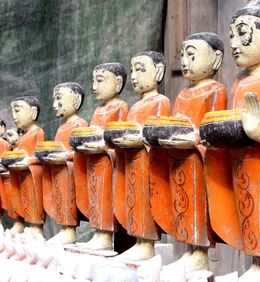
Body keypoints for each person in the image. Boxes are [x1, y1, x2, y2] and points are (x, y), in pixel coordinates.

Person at [204, 1, 260, 281]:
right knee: (246, 207)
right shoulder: (238, 80)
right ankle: (254, 264)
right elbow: (235, 116)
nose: (234, 43)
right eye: (232, 35)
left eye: (243, 33)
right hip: (241, 155)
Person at [156, 33, 226, 279]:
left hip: (198, 159)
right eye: (183, 55)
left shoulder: (217, 91)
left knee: (196, 204)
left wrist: (194, 138)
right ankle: (188, 250)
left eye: (192, 55)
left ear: (215, 60)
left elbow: (214, 129)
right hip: (179, 159)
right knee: (181, 204)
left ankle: (200, 253)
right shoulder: (183, 95)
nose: (185, 61)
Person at [113, 51, 171, 260]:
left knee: (146, 201)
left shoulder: (160, 102)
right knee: (133, 200)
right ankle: (139, 240)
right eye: (132, 70)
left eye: (140, 69)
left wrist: (139, 138)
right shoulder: (134, 107)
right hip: (131, 163)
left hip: (148, 162)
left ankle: (146, 243)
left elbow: (157, 133)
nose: (135, 76)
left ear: (158, 72)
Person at [73, 63, 129, 250]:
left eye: (100, 81)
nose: (94, 86)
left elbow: (120, 137)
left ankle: (105, 235)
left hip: (109, 162)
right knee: (95, 198)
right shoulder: (98, 111)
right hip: (94, 162)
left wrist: (103, 145)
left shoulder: (121, 107)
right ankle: (98, 232)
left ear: (118, 83)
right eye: (93, 81)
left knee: (106, 199)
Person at [42, 82, 88, 244]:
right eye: (54, 100)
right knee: (59, 196)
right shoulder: (62, 128)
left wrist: (64, 157)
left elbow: (81, 151)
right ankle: (64, 228)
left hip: (71, 172)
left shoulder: (79, 124)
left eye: (59, 99)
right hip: (59, 171)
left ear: (75, 100)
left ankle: (69, 230)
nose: (55, 105)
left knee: (68, 197)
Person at [9, 96, 45, 235]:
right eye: (13, 112)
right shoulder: (24, 136)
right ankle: (27, 225)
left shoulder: (37, 132)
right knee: (24, 201)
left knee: (33, 201)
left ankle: (36, 227)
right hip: (23, 175)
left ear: (33, 112)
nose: (14, 116)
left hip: (32, 175)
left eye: (17, 111)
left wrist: (27, 161)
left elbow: (38, 156)